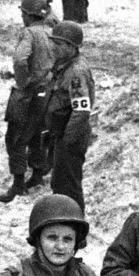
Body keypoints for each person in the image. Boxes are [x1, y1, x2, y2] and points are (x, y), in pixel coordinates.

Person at [0, 0, 53, 203]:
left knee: (16, 137)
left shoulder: (28, 33)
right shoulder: (52, 31)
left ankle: (18, 184)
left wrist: (23, 82)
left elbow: (20, 60)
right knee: (39, 134)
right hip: (47, 91)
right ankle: (37, 175)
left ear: (28, 15)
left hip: (29, 93)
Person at [45, 21, 96, 213]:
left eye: (58, 44)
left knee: (68, 185)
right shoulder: (66, 64)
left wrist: (68, 138)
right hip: (64, 130)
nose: (53, 48)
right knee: (60, 181)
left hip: (71, 133)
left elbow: (81, 110)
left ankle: (75, 228)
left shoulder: (75, 71)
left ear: (70, 47)